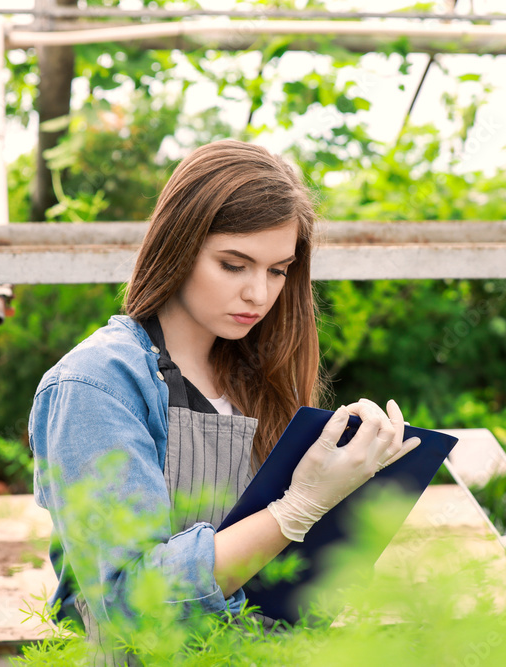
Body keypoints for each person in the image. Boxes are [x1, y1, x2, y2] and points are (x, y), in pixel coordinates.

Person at [28, 140, 420, 664]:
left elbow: (293, 600)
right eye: (234, 265)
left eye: (278, 270)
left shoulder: (260, 378)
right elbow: (130, 602)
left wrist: (346, 495)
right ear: (178, 245)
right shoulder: (95, 385)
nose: (259, 293)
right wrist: (293, 511)